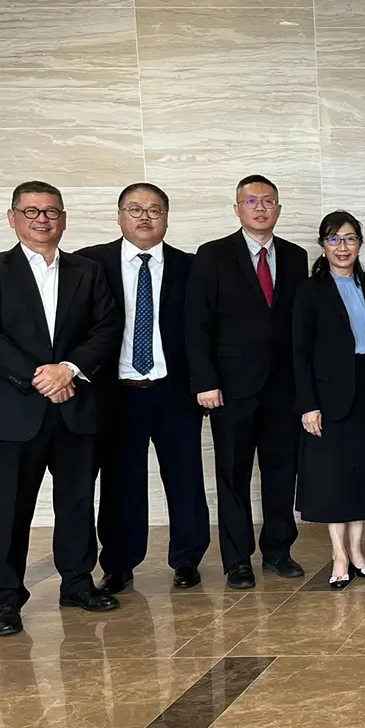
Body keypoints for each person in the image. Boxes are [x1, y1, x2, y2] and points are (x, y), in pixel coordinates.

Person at [0, 181, 121, 636]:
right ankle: (7, 598)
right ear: (12, 217)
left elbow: (107, 327)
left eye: (51, 211)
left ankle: (77, 584)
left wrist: (68, 370)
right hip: (16, 409)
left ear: (63, 218)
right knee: (12, 507)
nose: (41, 219)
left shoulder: (88, 271)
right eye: (31, 211)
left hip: (76, 404)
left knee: (76, 501)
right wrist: (41, 377)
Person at [77, 183, 208, 593]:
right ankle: (119, 563)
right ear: (119, 216)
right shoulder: (90, 263)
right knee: (121, 482)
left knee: (185, 477)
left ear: (166, 217)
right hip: (117, 392)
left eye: (154, 210)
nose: (145, 217)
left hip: (175, 390)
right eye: (135, 209)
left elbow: (204, 330)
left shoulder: (192, 266)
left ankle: (187, 558)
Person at [185, 175, 309, 590]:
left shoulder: (295, 256)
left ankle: (278, 551)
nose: (260, 208)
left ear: (279, 208)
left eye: (268, 201)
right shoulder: (213, 255)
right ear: (237, 208)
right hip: (231, 387)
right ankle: (237, 560)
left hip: (283, 387)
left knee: (281, 471)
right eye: (251, 201)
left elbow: (298, 324)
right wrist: (205, 381)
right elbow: (197, 322)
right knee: (233, 474)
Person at [293, 212, 365, 589]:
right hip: (328, 398)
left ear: (359, 244)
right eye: (335, 240)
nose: (343, 247)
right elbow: (299, 353)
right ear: (323, 246)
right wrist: (308, 405)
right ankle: (338, 555)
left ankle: (357, 552)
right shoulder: (310, 290)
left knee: (362, 475)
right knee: (334, 478)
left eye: (350, 239)